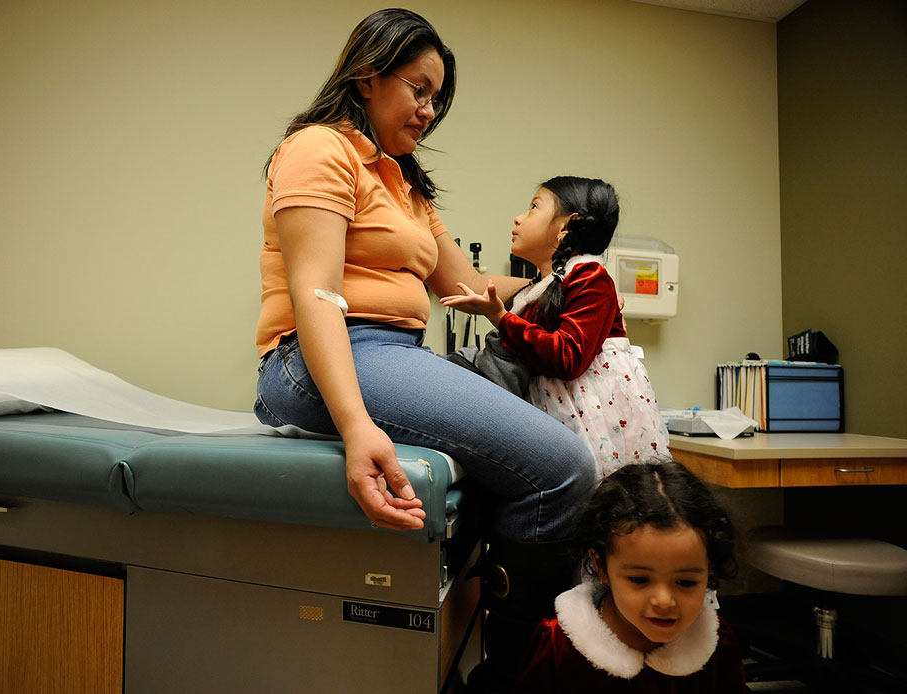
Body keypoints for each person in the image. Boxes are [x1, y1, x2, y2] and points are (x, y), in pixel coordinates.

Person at [253, 9, 596, 690]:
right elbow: (317, 293)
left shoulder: (405, 184)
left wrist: (573, 279)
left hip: (390, 353)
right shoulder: (320, 148)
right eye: (419, 89)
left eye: (437, 98)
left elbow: (465, 286)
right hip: (322, 356)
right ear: (367, 74)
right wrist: (357, 429)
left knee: (539, 458)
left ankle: (465, 643)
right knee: (564, 470)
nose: (430, 110)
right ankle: (518, 678)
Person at [441, 176, 670, 477]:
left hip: (592, 419)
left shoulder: (591, 276)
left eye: (534, 207)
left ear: (565, 226)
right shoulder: (538, 290)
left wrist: (501, 317)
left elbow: (567, 358)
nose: (519, 217)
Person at [512, 460, 745, 693]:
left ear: (710, 570)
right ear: (600, 565)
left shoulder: (715, 643)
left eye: (686, 582)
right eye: (640, 580)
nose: (663, 601)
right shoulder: (559, 646)